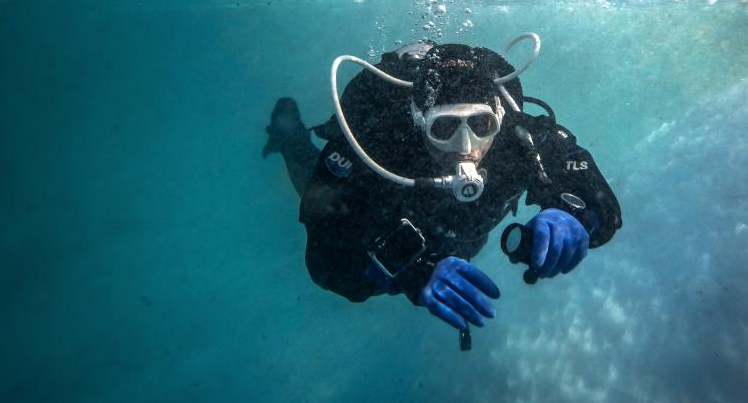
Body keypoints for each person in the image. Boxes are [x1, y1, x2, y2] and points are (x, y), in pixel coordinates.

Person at [263, 34, 622, 338]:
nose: (465, 147)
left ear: (498, 117)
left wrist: (575, 214)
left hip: (462, 236)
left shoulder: (520, 139)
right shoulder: (381, 145)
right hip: (389, 232)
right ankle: (289, 138)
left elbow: (603, 207)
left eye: (480, 125)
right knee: (312, 184)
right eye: (444, 127)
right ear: (420, 121)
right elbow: (325, 260)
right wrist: (409, 270)